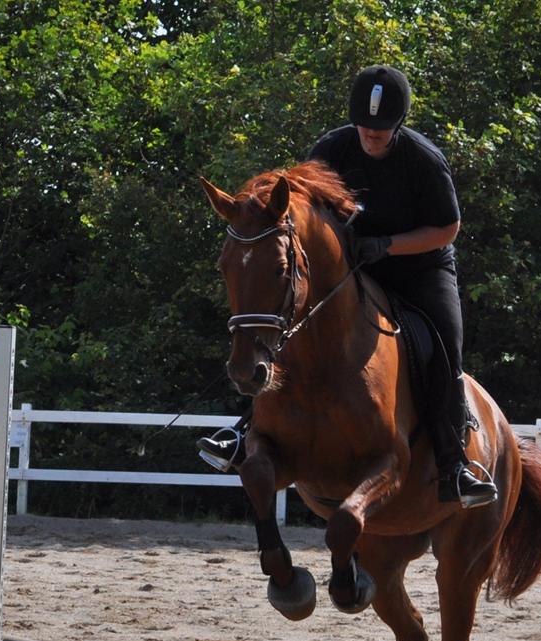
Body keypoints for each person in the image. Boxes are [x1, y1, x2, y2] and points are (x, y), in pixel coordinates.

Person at [198, 65, 497, 509]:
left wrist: (389, 245)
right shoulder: (333, 148)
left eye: (381, 129)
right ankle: (246, 432)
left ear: (398, 124)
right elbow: (296, 207)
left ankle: (455, 465)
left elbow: (448, 228)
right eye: (365, 127)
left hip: (422, 269)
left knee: (445, 346)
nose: (372, 136)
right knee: (291, 325)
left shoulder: (423, 159)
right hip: (356, 265)